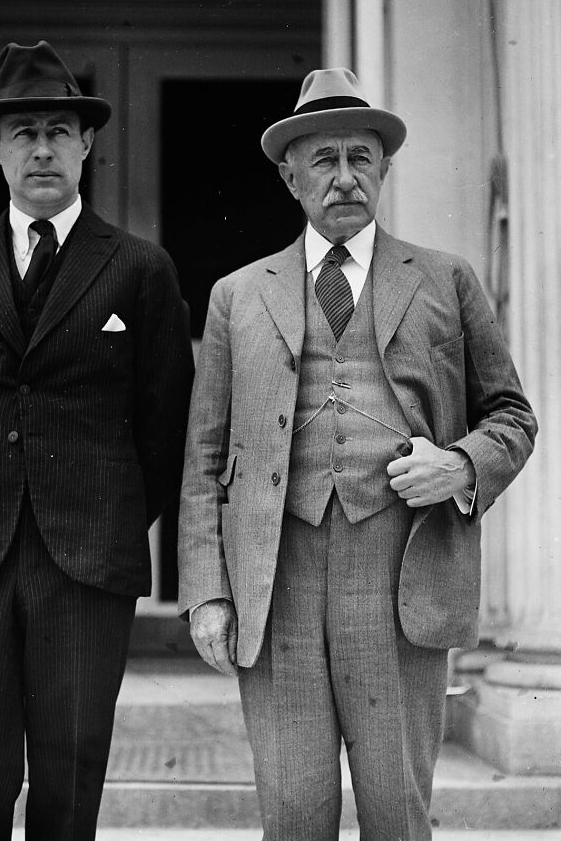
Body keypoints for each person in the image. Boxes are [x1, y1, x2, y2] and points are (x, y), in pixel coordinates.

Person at [177, 68, 537, 840]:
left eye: (361, 159)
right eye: (324, 160)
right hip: (276, 588)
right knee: (294, 817)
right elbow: (205, 458)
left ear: (383, 169)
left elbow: (512, 415)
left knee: (397, 816)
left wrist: (462, 465)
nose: (344, 177)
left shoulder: (445, 279)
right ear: (290, 175)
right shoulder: (237, 295)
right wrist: (208, 590)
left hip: (400, 578)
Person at [0, 40, 193, 841]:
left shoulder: (139, 269)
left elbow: (165, 425)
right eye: (22, 131)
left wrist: (106, 519)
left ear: (87, 143)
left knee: (68, 785)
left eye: (58, 130)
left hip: (87, 560)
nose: (41, 148)